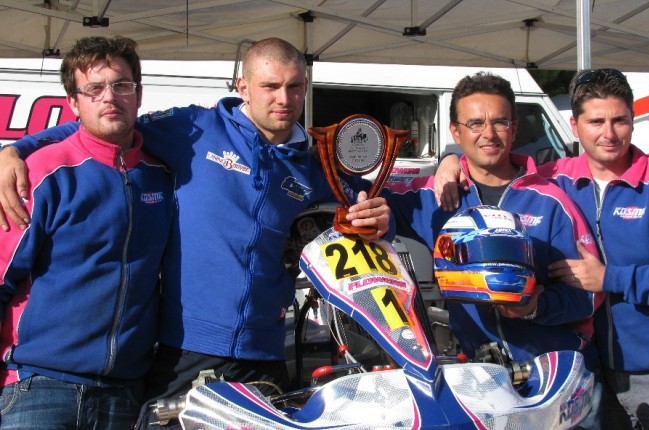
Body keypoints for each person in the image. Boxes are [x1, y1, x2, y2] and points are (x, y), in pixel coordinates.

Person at [0, 37, 390, 429]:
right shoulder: (193, 128)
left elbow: (371, 201)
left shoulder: (313, 167)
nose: (283, 99)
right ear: (243, 87)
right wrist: (16, 150)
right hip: (182, 353)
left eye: (294, 86)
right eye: (270, 86)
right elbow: (106, 125)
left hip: (265, 356)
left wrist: (381, 213)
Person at [434, 69, 649, 430]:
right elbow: (497, 166)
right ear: (575, 125)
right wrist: (449, 164)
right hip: (586, 371)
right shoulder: (554, 178)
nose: (608, 133)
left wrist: (610, 278)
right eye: (596, 121)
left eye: (619, 120)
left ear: (633, 121)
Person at [382, 72, 604, 429]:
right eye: (475, 123)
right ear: (456, 132)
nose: (488, 133)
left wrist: (535, 307)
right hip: (484, 384)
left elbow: (588, 297)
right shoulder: (435, 196)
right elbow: (365, 199)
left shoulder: (552, 202)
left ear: (514, 129)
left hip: (556, 383)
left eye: (499, 122)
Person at [0, 36, 174, 429]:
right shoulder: (41, 174)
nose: (109, 97)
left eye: (121, 85)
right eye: (94, 89)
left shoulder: (162, 176)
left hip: (125, 393)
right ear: (74, 103)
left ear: (138, 94)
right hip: (39, 388)